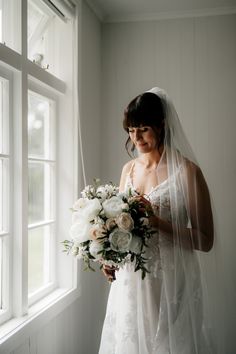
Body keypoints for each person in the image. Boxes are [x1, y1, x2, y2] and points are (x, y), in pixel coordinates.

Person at [98, 87, 214, 354]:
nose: (136, 137)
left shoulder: (187, 172)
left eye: (143, 128)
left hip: (172, 284)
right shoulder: (128, 170)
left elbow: (206, 240)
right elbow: (120, 224)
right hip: (131, 281)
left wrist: (157, 222)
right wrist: (110, 258)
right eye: (130, 130)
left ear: (161, 126)